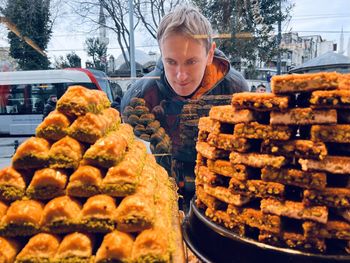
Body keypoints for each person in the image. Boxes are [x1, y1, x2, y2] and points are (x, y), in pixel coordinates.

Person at [121, 5, 249, 209]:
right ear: (161, 53)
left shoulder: (234, 89)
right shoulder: (141, 98)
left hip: (222, 201)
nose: (181, 75)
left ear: (210, 54)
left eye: (191, 62)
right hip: (161, 201)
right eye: (171, 62)